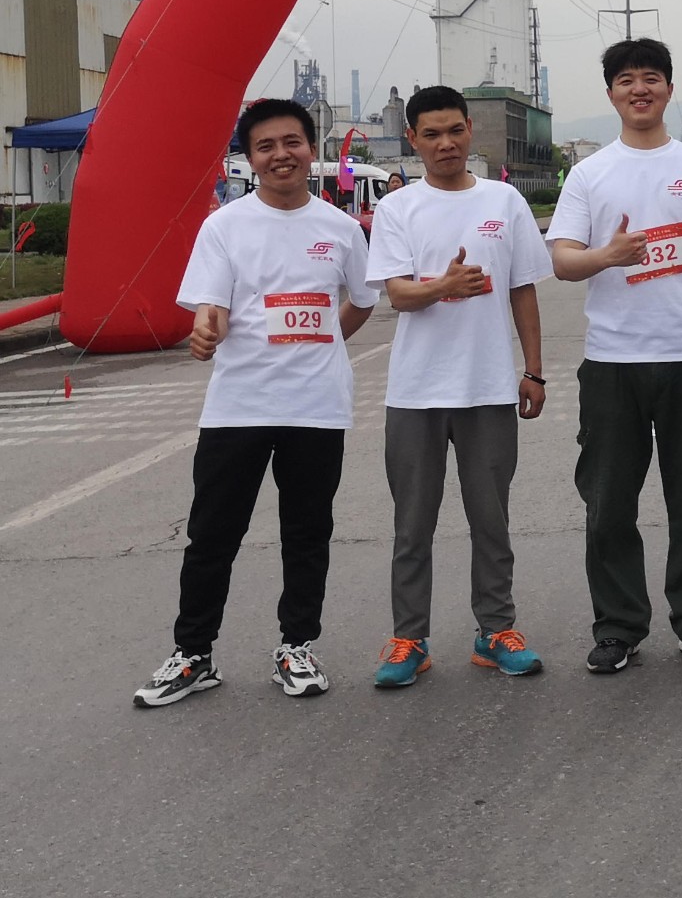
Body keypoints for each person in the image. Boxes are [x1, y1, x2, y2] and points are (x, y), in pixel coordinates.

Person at [135, 99, 376, 708]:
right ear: (250, 157)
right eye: (265, 146)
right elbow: (211, 307)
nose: (280, 155)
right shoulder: (224, 226)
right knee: (212, 535)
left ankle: (297, 646)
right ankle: (193, 654)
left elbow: (363, 298)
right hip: (238, 408)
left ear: (311, 149)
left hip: (316, 407)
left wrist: (326, 340)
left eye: (292, 142)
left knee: (307, 533)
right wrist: (206, 331)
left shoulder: (341, 228)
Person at [547, 37, 682, 675]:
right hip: (613, 362)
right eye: (627, 80)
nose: (640, 89)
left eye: (651, 78)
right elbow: (563, 259)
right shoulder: (590, 174)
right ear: (611, 94)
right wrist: (607, 256)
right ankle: (619, 626)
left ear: (669, 89)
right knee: (608, 502)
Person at [365, 85, 553, 687]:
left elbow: (523, 288)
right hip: (416, 393)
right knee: (412, 526)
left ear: (470, 130)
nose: (445, 143)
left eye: (454, 131)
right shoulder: (399, 207)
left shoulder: (504, 201)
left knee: (491, 520)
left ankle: (495, 631)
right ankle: (408, 639)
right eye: (431, 134)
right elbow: (398, 294)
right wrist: (443, 287)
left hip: (488, 389)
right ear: (413, 139)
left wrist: (533, 370)